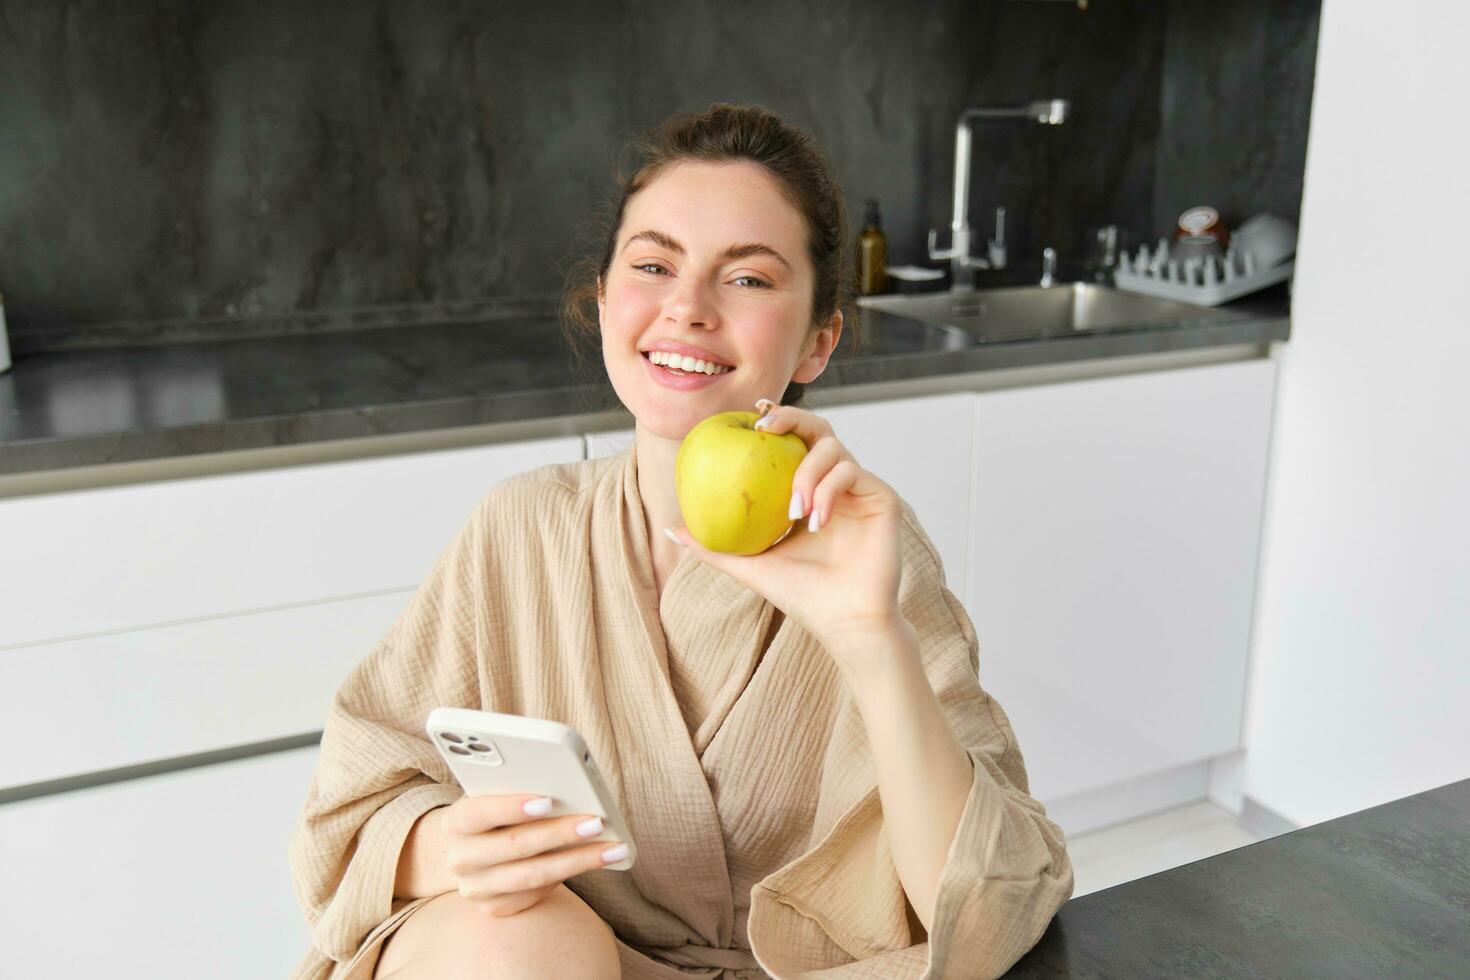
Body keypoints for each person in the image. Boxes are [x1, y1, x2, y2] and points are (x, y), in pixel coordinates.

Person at [288, 102, 1073, 980]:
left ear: (820, 340)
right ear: (605, 297)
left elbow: (987, 912)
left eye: (747, 279)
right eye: (654, 264)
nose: (688, 308)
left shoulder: (870, 553)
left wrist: (870, 638)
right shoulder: (520, 528)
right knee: (519, 932)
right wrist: (445, 846)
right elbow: (354, 800)